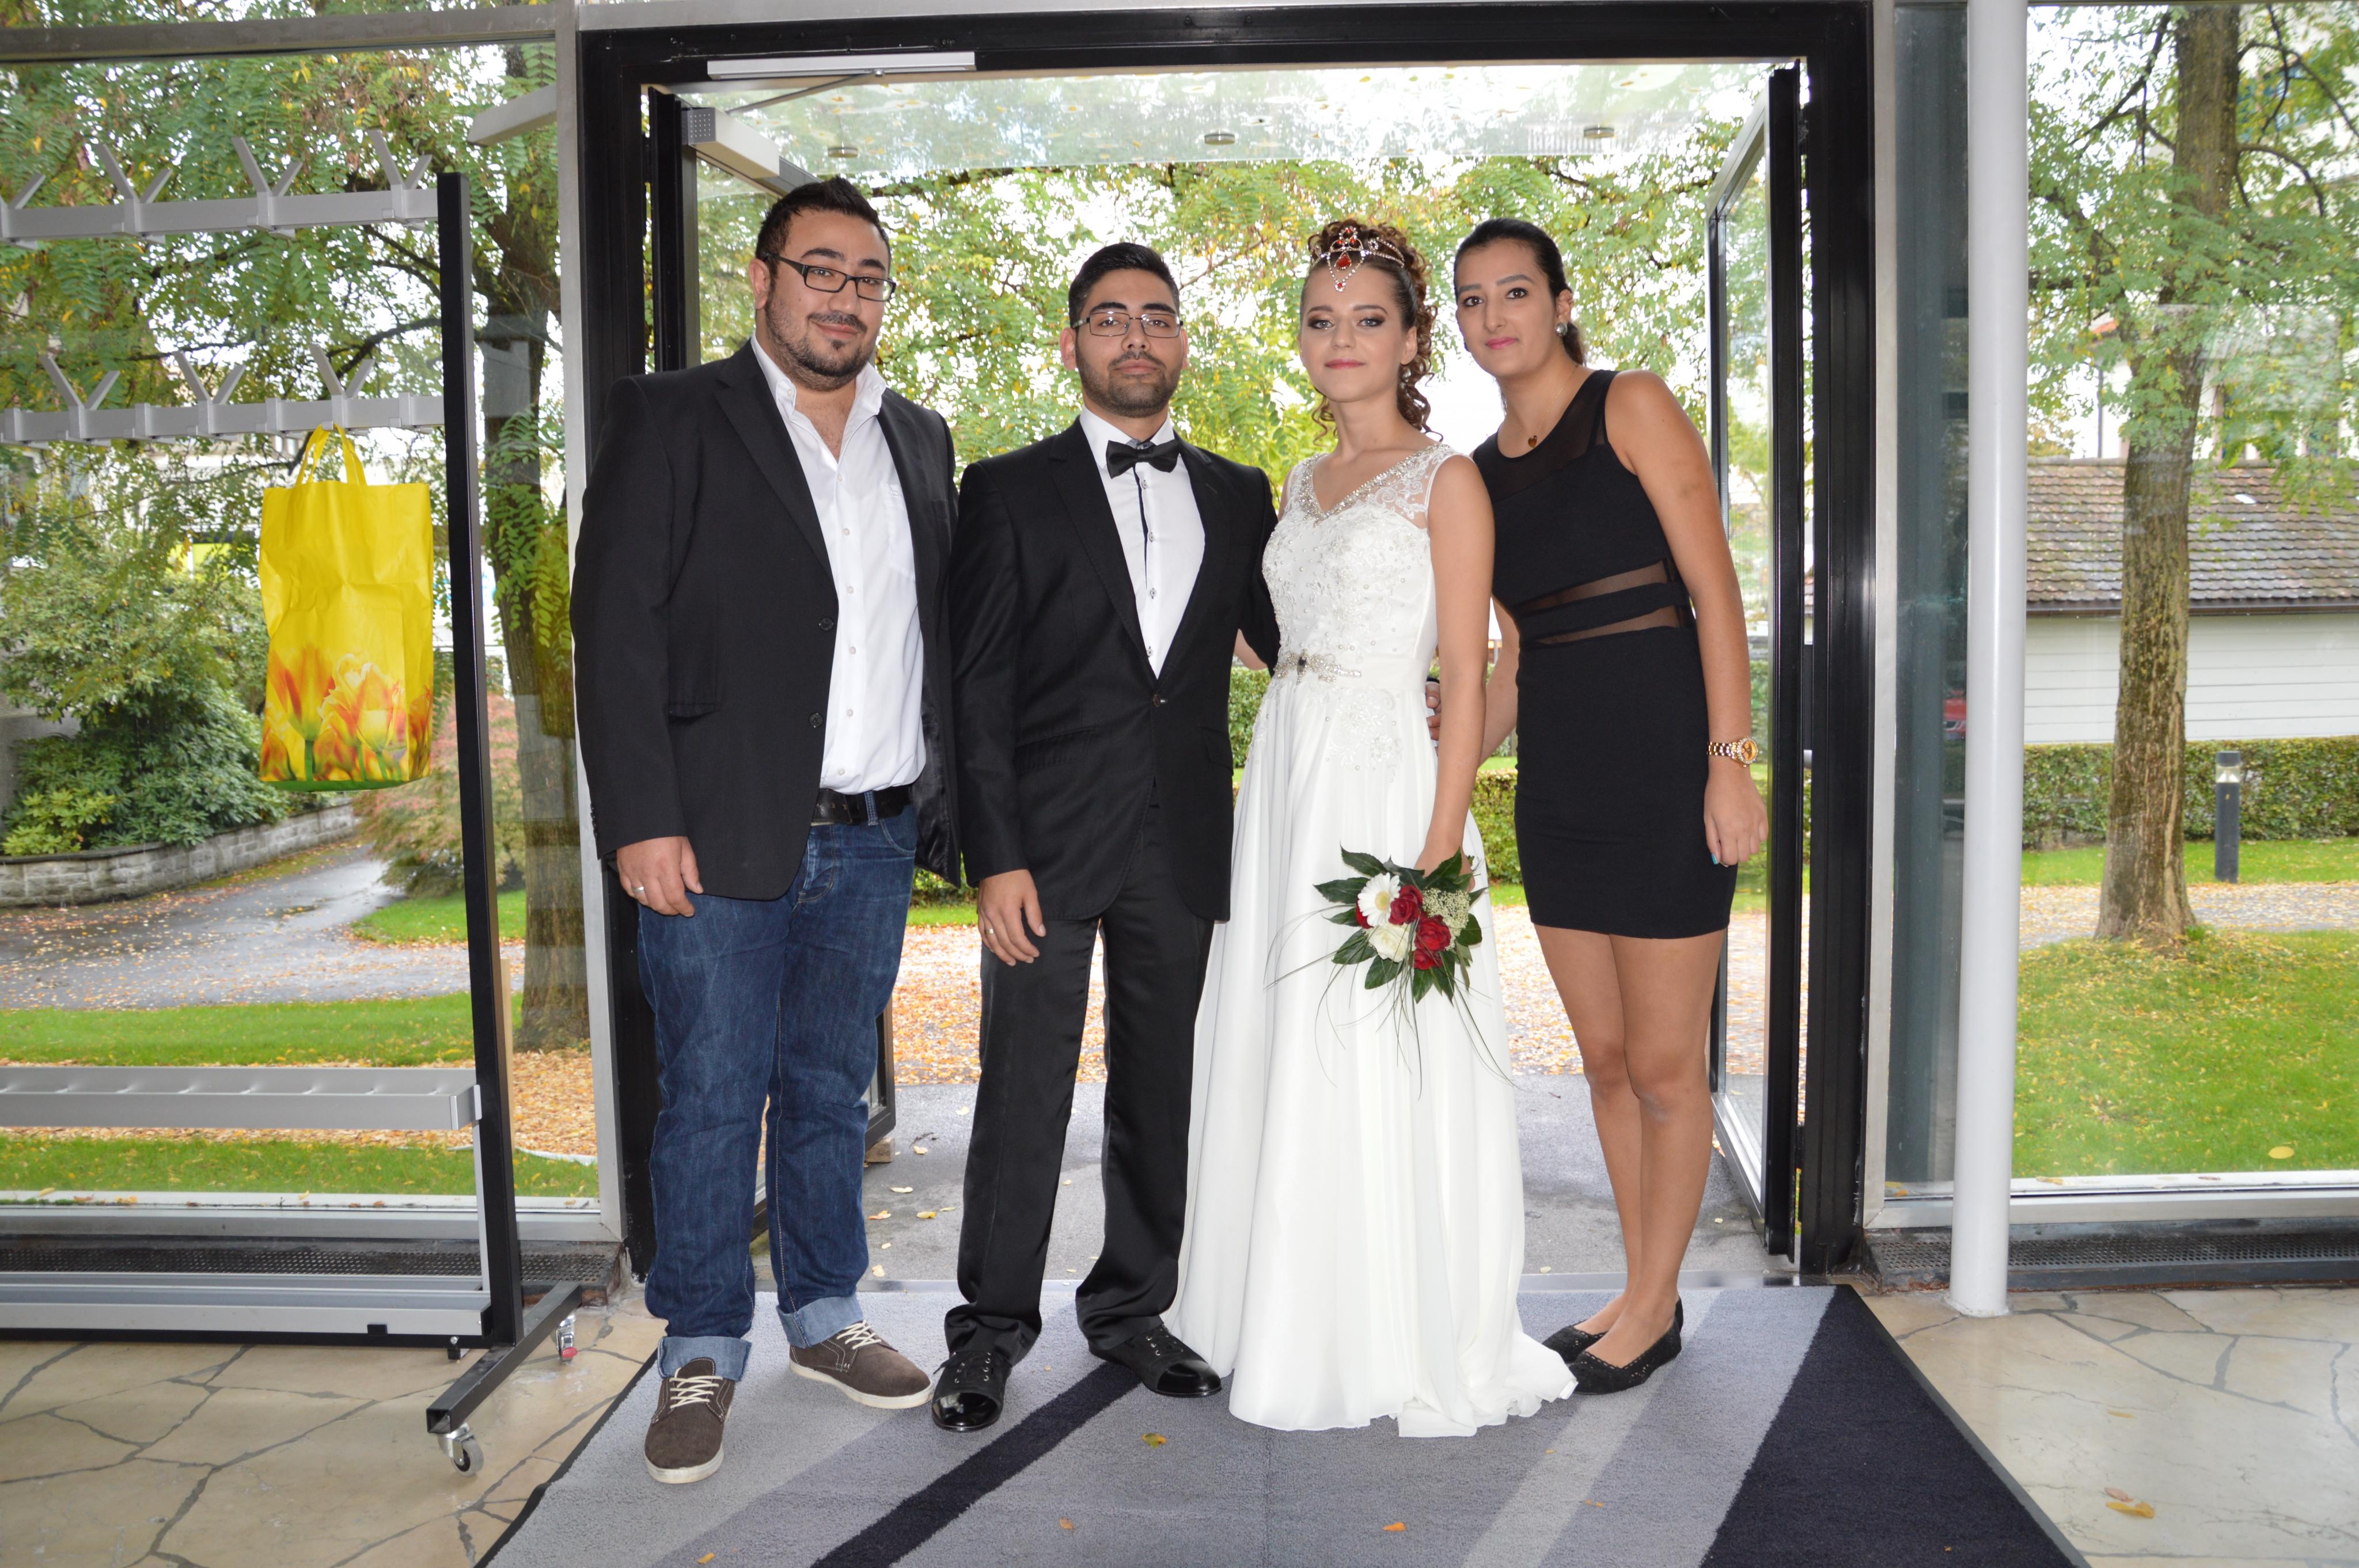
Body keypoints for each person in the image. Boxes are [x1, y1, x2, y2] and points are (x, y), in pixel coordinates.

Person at [572, 177, 961, 1484]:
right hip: (713, 837)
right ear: (762, 278)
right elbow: (614, 630)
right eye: (820, 270)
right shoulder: (673, 416)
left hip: (872, 835)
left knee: (829, 1091)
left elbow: (937, 634)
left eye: (867, 277)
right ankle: (700, 1343)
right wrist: (640, 819)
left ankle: (824, 1313)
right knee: (709, 1097)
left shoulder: (919, 440)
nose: (844, 298)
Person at [1167, 219, 1571, 1436]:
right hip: (1287, 777)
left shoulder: (1448, 482)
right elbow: (1284, 631)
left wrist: (1440, 839)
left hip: (1388, 789)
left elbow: (1472, 665)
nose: (1340, 339)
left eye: (1368, 320)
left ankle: (1385, 1330)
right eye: (1320, 319)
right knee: (1281, 1033)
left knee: (1377, 1046)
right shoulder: (1296, 483)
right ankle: (1280, 1309)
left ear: (1409, 342)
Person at [935, 242, 1283, 1433]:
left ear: (1183, 340)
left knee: (1162, 1088)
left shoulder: (1239, 492)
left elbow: (1288, 643)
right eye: (1109, 317)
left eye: (1157, 316)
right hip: (1041, 846)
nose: (1136, 337)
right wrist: (993, 856)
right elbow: (975, 688)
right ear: (1072, 341)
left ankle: (1132, 1305)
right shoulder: (1005, 489)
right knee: (1022, 1092)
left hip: (1180, 840)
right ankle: (989, 1333)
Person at [1452, 217, 1768, 1394]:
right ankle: (1645, 1292)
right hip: (1561, 792)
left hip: (1665, 775)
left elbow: (1713, 590)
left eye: (1514, 292)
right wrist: (1434, 772)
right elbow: (1512, 659)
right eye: (1473, 300)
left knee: (1667, 1068)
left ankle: (1651, 1305)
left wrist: (1729, 759)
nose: (1494, 318)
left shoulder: (1629, 404)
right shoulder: (1478, 475)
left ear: (1559, 301)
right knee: (1603, 1061)